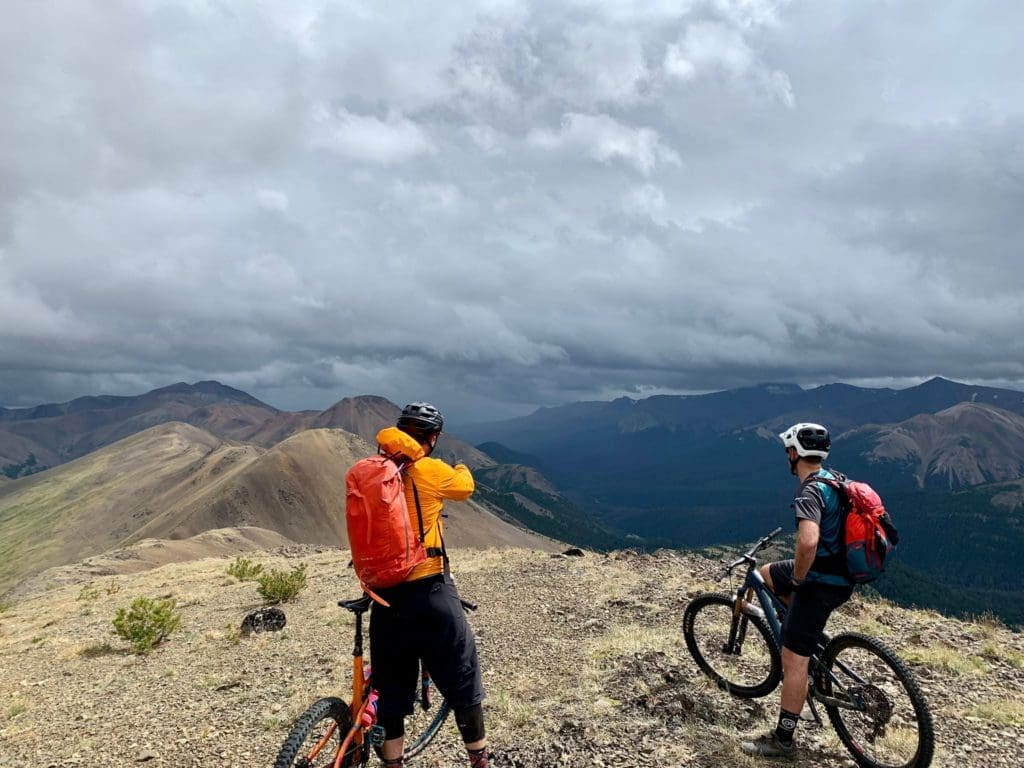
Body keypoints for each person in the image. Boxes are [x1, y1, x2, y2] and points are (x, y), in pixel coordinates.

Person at [370, 402, 489, 768]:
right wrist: (461, 464)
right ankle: (479, 761)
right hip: (430, 592)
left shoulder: (375, 472)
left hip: (384, 598)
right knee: (463, 676)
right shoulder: (430, 470)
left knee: (391, 694)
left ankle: (393, 763)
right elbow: (466, 487)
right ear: (432, 437)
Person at [740, 422, 855, 759]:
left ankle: (784, 741)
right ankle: (796, 624)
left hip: (820, 582)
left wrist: (799, 582)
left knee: (793, 659)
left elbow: (807, 543)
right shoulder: (835, 479)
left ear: (793, 453)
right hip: (842, 573)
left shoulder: (809, 492)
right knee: (766, 574)